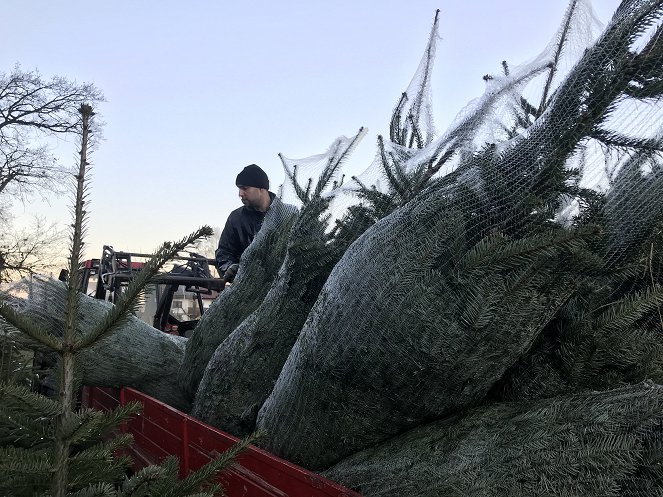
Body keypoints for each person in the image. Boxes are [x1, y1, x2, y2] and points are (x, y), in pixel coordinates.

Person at [215, 164, 275, 282]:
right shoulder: (236, 218)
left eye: (245, 188)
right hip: (248, 288)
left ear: (262, 188)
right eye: (239, 189)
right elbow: (224, 252)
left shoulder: (287, 213)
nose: (240, 194)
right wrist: (229, 268)